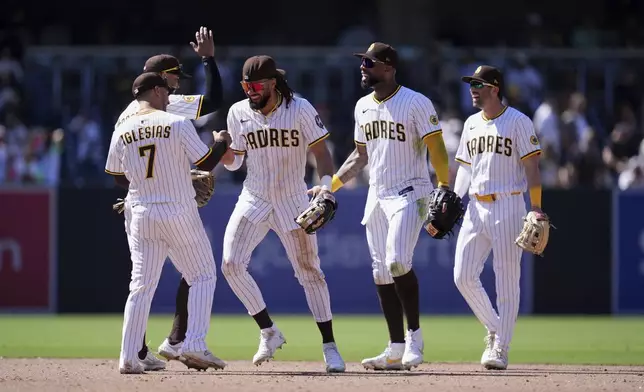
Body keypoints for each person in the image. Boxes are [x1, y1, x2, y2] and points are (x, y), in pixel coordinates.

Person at [318, 42, 451, 370]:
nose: (363, 67)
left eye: (369, 62)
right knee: (380, 272)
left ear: (389, 68)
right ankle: (395, 348)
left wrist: (444, 185)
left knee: (396, 262)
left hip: (411, 192)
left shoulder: (416, 102)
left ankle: (415, 340)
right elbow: (360, 156)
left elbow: (437, 147)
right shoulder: (362, 106)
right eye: (362, 62)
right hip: (376, 196)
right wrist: (329, 185)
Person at [217, 55, 346, 373]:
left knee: (310, 273)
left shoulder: (299, 108)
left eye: (257, 84)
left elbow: (320, 153)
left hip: (292, 200)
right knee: (231, 265)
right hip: (254, 197)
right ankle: (268, 331)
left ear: (274, 82)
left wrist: (326, 186)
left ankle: (329, 346)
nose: (251, 91)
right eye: (246, 85)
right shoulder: (238, 112)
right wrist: (223, 152)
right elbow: (235, 163)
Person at [114, 26, 225, 371]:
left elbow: (117, 174)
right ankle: (194, 343)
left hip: (139, 205)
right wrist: (219, 143)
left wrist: (139, 187)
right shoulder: (171, 110)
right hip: (175, 205)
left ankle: (132, 355)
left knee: (141, 283)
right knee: (203, 273)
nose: (179, 83)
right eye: (175, 77)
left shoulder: (123, 121)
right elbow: (207, 155)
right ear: (159, 84)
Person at [452, 65, 543, 370]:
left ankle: (501, 347)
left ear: (494, 88)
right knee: (462, 275)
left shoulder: (519, 122)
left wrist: (536, 207)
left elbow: (532, 168)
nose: (472, 90)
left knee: (506, 280)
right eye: (471, 84)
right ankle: (495, 328)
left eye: (478, 84)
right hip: (475, 206)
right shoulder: (471, 123)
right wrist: (454, 196)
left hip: (508, 204)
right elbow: (465, 167)